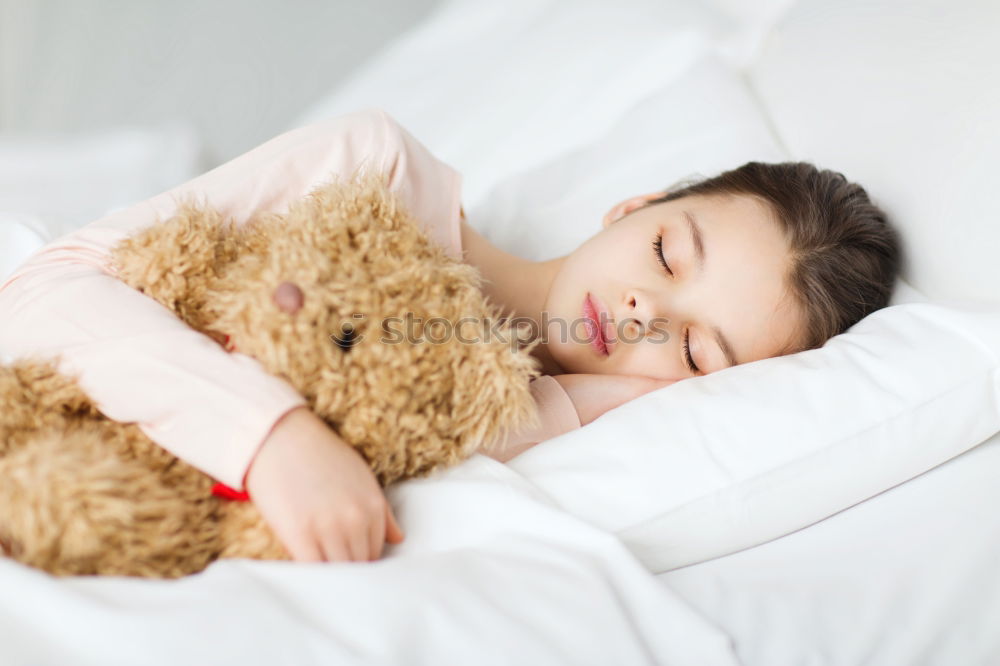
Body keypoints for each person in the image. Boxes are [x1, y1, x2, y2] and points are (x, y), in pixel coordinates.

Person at [0, 109, 899, 567]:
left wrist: (575, 403)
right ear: (638, 206)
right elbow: (45, 294)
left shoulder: (538, 415)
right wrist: (273, 436)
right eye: (667, 252)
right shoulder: (377, 169)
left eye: (698, 349)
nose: (642, 315)